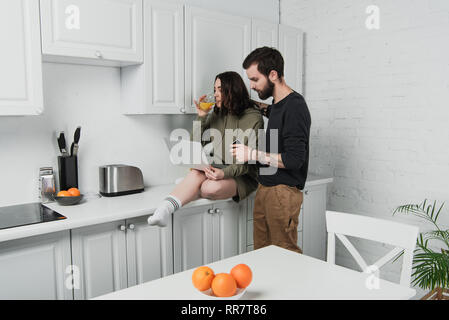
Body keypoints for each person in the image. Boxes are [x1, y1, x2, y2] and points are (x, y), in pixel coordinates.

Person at [148, 71, 264, 227]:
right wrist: (201, 116)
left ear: (232, 90)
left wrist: (224, 173)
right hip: (218, 168)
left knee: (209, 188)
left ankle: (188, 186)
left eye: (219, 89)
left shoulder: (253, 118)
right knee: (197, 172)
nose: (214, 94)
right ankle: (164, 209)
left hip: (243, 175)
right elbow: (194, 144)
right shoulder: (217, 114)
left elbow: (247, 162)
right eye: (214, 89)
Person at [231, 47, 311, 254]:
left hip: (283, 193)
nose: (252, 85)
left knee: (285, 254)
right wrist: (242, 100)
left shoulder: (295, 106)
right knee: (263, 254)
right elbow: (272, 111)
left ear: (273, 75)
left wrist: (252, 154)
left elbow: (294, 160)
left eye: (255, 80)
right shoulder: (279, 104)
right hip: (266, 188)